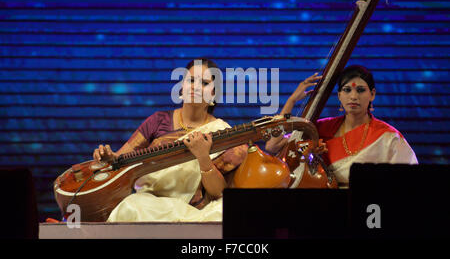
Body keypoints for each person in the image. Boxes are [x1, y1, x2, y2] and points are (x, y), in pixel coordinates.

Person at [93, 58, 247, 222]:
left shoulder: (221, 132)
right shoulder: (158, 121)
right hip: (151, 205)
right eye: (191, 80)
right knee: (133, 205)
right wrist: (109, 158)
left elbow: (219, 193)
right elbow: (120, 161)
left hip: (193, 210)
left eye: (204, 83)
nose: (195, 87)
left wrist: (203, 157)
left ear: (214, 93)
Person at [266, 65, 418, 186]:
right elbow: (273, 145)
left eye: (360, 90)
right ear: (339, 96)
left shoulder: (387, 137)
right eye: (347, 90)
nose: (353, 96)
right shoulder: (320, 128)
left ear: (372, 94)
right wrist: (291, 101)